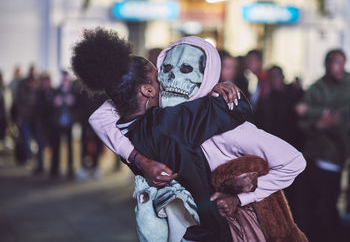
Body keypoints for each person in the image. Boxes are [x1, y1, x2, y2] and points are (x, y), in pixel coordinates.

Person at [83, 30, 306, 241]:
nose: (168, 79)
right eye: (164, 71)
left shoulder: (131, 132)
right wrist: (217, 96)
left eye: (186, 70)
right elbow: (293, 160)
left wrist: (138, 159)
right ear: (147, 89)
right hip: (220, 230)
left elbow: (101, 115)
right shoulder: (198, 119)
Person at [297, 49, 350, 242]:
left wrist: (312, 111)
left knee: (334, 207)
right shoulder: (316, 88)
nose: (340, 68)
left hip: (341, 153)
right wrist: (319, 122)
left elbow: (340, 117)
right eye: (336, 62)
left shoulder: (347, 85)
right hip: (319, 155)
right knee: (320, 206)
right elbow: (300, 120)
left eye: (342, 63)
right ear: (327, 64)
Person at [51, 71, 76, 178]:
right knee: (56, 146)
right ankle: (54, 169)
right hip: (58, 123)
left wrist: (72, 103)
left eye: (66, 78)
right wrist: (55, 103)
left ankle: (70, 169)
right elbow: (51, 105)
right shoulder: (56, 90)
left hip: (69, 122)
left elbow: (78, 107)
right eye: (63, 78)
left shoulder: (73, 91)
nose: (65, 80)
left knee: (70, 146)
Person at [33, 73, 54, 175]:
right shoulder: (39, 93)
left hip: (51, 124)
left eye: (47, 81)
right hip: (41, 122)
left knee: (51, 146)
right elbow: (37, 108)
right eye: (44, 81)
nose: (46, 83)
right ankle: (40, 166)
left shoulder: (53, 93)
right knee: (40, 145)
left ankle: (52, 168)